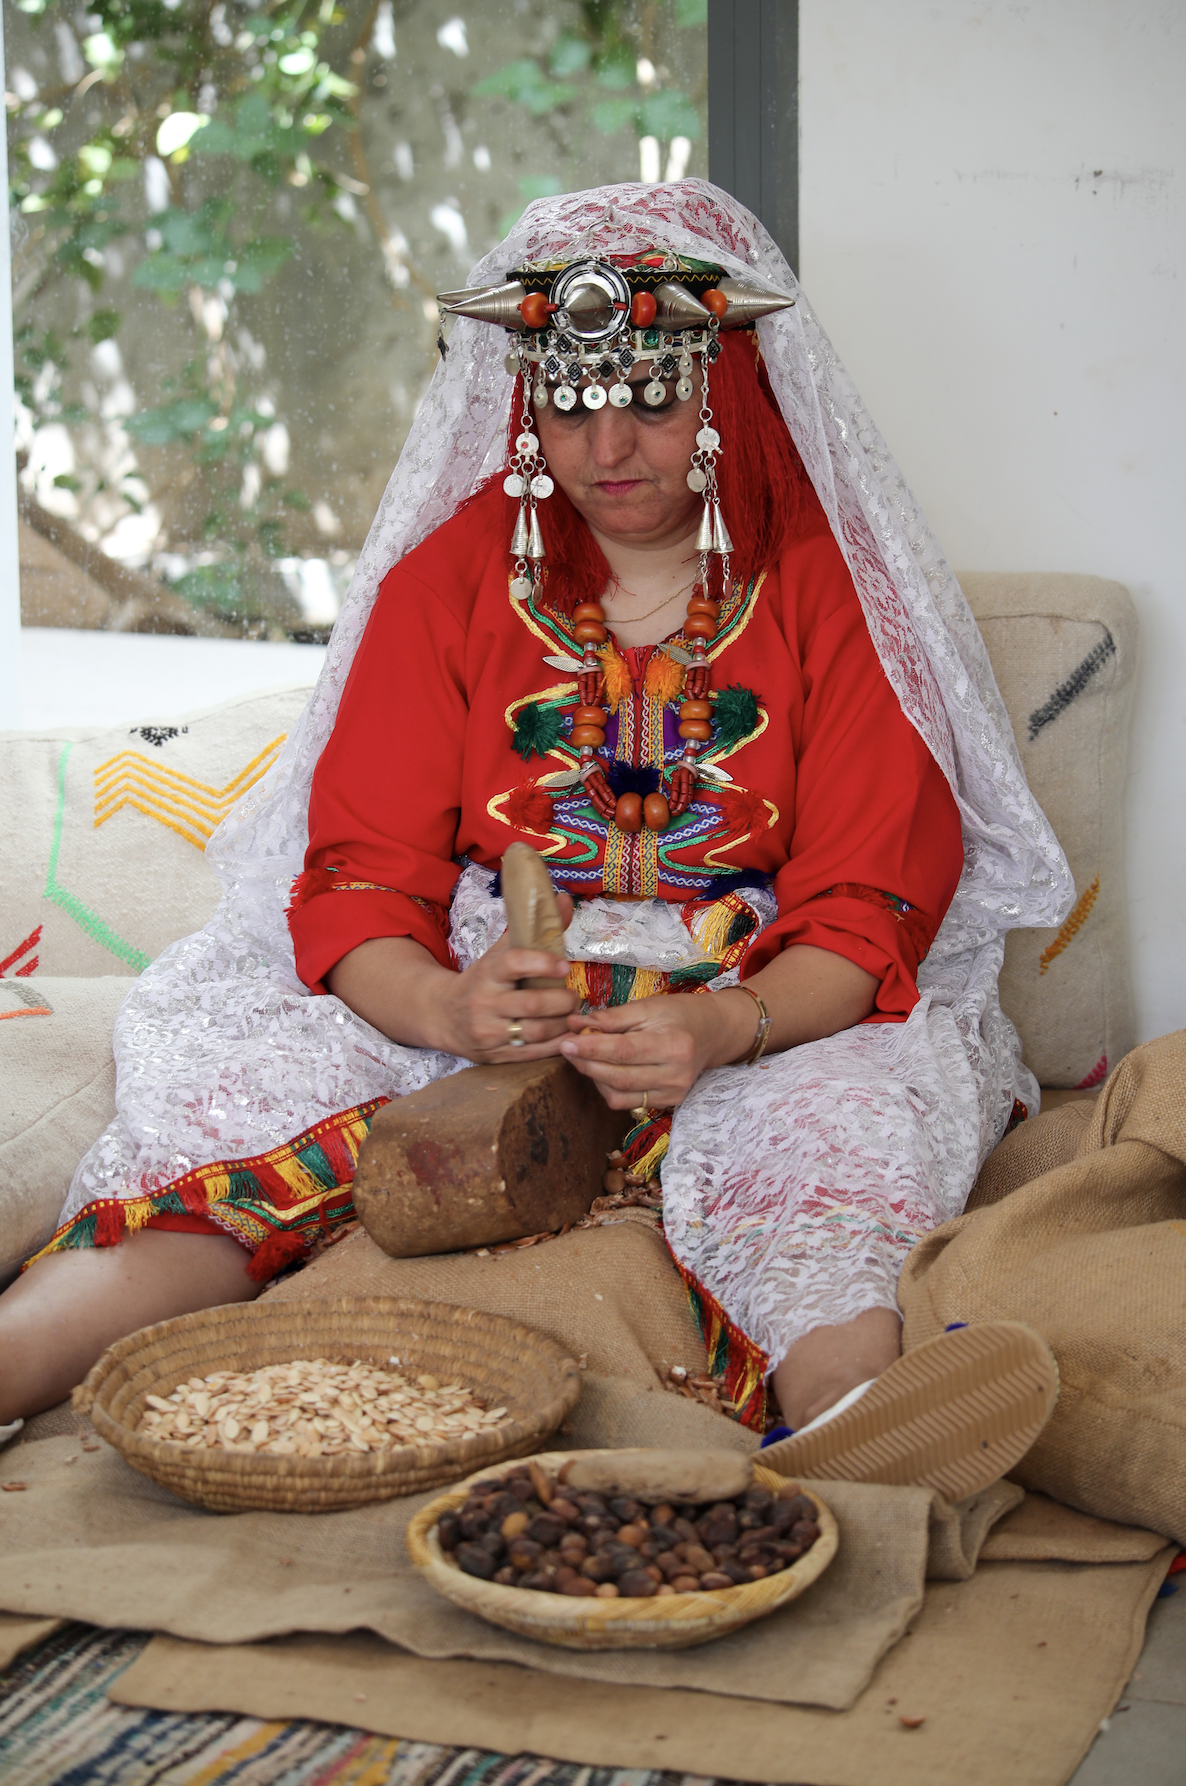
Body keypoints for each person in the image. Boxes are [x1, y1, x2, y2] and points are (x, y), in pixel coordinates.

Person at [0, 183, 1071, 1474]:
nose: (605, 446)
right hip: (470, 975)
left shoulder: (839, 599)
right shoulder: (449, 580)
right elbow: (356, 883)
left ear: (726, 395)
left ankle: (863, 1454)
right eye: (565, 403)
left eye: (649, 401)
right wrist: (445, 1009)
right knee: (244, 1106)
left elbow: (866, 904)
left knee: (829, 1156)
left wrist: (723, 1025)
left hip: (764, 993)